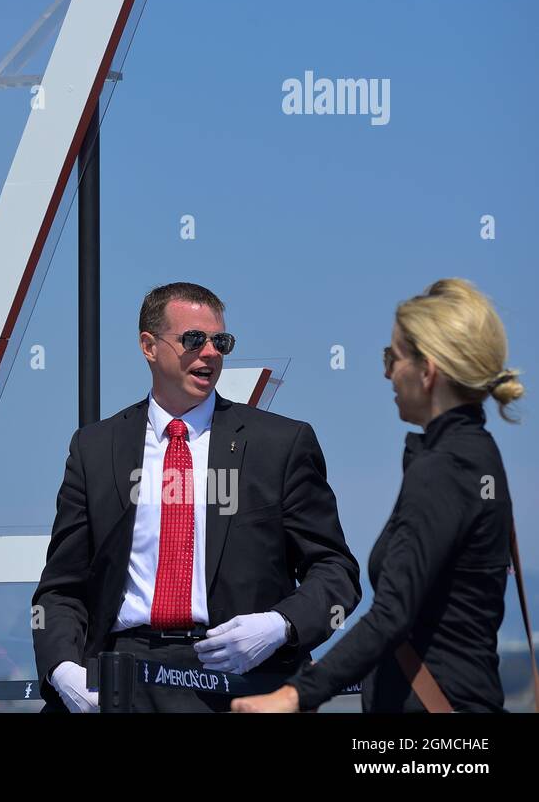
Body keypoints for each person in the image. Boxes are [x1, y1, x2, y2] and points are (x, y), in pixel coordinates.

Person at [32, 282, 361, 712]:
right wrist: (63, 671)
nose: (210, 353)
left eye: (220, 341)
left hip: (242, 681)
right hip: (125, 682)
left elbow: (336, 571)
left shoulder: (280, 444)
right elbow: (60, 588)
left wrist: (279, 626)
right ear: (149, 346)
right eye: (193, 340)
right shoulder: (94, 449)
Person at [233, 278, 523, 713]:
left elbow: (392, 614)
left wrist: (294, 695)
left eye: (393, 356)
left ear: (428, 371)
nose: (387, 371)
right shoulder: (477, 453)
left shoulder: (446, 467)